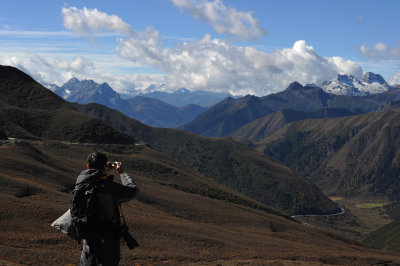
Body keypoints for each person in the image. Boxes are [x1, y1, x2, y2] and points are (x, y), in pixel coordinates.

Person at [77, 152, 139, 266]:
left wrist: (102, 171)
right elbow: (133, 191)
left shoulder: (81, 183)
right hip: (107, 246)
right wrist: (121, 172)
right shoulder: (109, 188)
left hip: (88, 244)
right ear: (105, 166)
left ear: (87, 166)